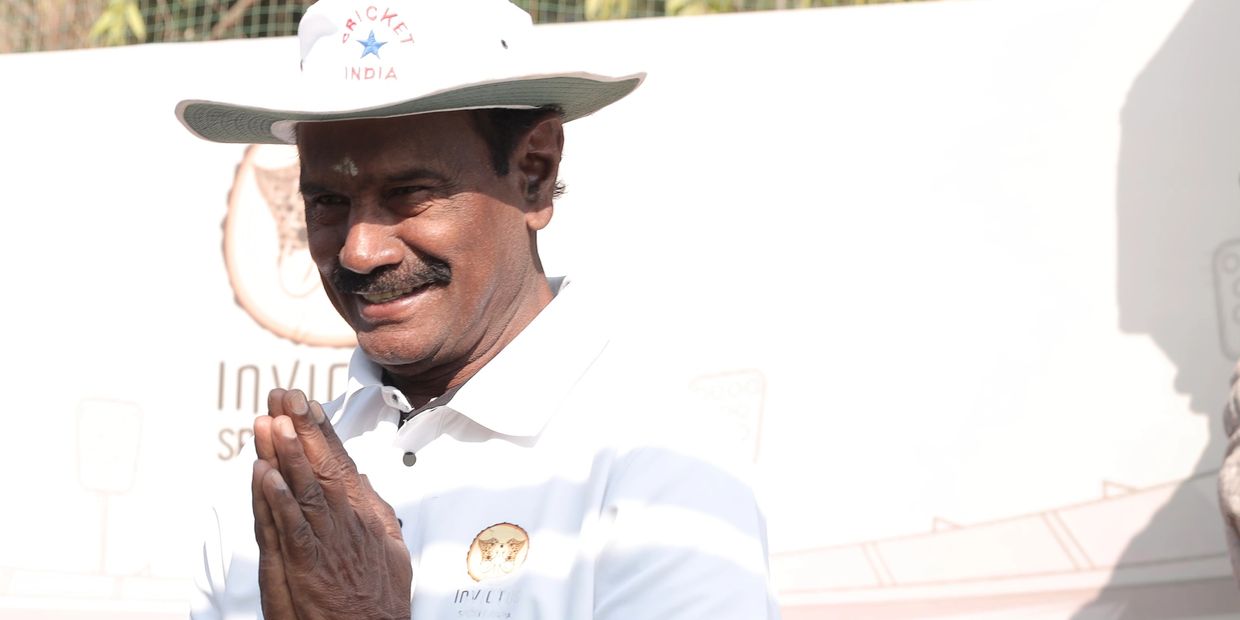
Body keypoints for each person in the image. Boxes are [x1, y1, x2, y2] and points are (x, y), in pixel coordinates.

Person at [177, 0, 780, 617]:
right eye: (328, 201)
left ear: (535, 174)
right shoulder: (266, 500)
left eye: (409, 193)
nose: (360, 251)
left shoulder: (664, 468)